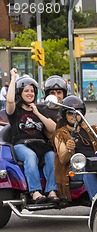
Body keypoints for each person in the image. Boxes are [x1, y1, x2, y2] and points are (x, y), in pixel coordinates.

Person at [5, 68, 59, 203]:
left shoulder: (39, 109)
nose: (30, 93)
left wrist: (38, 113)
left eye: (32, 91)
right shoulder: (15, 111)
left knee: (52, 155)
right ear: (20, 93)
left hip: (40, 144)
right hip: (21, 145)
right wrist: (13, 78)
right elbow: (10, 100)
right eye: (26, 91)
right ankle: (35, 191)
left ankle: (52, 191)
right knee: (30, 156)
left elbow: (53, 129)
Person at [52, 95, 97, 202]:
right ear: (64, 115)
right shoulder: (60, 133)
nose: (74, 116)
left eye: (77, 112)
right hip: (75, 168)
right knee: (86, 171)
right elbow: (62, 158)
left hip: (94, 163)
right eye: (70, 113)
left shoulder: (89, 130)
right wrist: (68, 148)